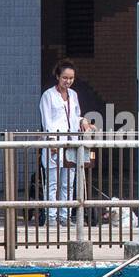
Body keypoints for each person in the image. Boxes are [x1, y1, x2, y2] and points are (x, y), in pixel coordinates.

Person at [39, 59, 95, 226]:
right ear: (57, 76)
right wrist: (52, 141)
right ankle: (51, 217)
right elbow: (47, 121)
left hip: (71, 144)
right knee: (53, 183)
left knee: (68, 183)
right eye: (65, 78)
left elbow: (75, 115)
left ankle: (65, 216)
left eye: (71, 78)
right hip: (55, 144)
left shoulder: (73, 95)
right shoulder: (48, 95)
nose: (68, 81)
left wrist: (83, 121)